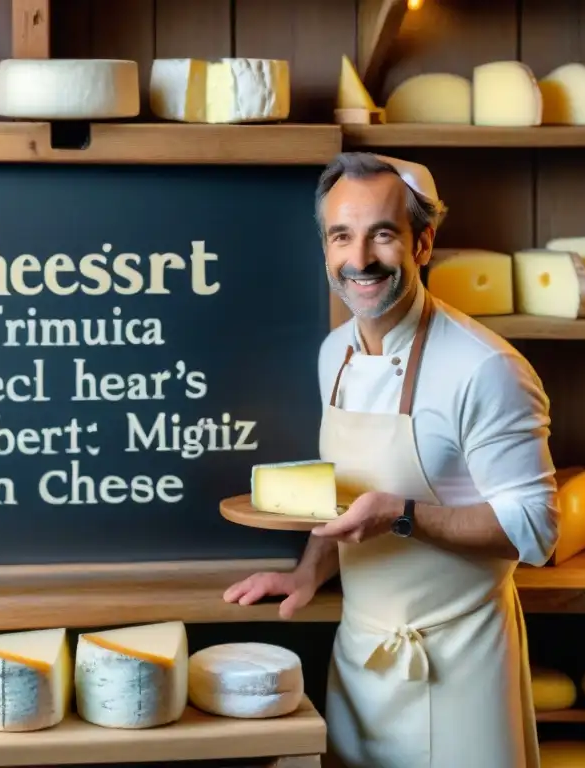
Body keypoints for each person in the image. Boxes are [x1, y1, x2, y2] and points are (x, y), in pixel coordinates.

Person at [224, 152, 558, 768]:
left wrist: (404, 515)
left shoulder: (486, 370)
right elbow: (351, 493)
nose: (360, 260)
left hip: (460, 666)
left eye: (383, 234)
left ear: (423, 242)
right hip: (360, 659)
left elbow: (534, 530)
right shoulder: (335, 355)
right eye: (341, 237)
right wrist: (310, 571)